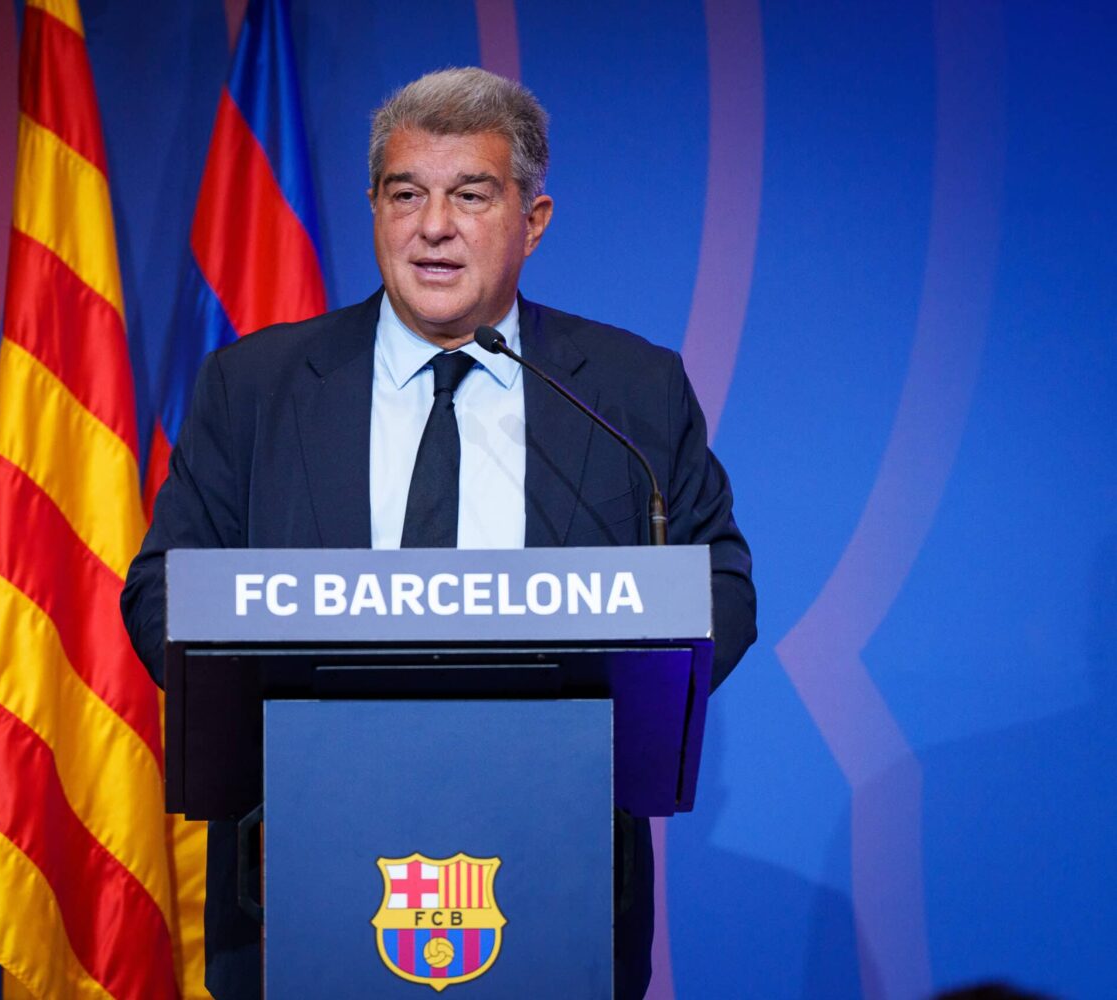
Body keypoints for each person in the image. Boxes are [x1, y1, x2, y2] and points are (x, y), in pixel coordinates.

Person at [122, 66, 756, 1000]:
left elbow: (720, 587)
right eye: (405, 193)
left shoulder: (629, 390)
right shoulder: (253, 387)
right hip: (296, 876)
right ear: (374, 209)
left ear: (533, 221)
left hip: (560, 870)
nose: (433, 228)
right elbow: (162, 589)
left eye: (471, 195)